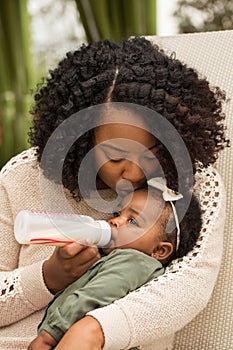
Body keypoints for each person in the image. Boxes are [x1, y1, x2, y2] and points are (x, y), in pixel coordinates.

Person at [0, 37, 229, 350]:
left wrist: (92, 331)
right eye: (116, 156)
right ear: (79, 139)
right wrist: (48, 277)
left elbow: (187, 286)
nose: (134, 173)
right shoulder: (21, 178)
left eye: (151, 152)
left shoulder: (192, 187)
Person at [28, 183, 202, 350]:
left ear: (159, 250)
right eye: (118, 213)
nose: (115, 221)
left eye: (132, 221)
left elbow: (94, 295)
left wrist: (50, 334)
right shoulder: (122, 260)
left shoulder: (134, 263)